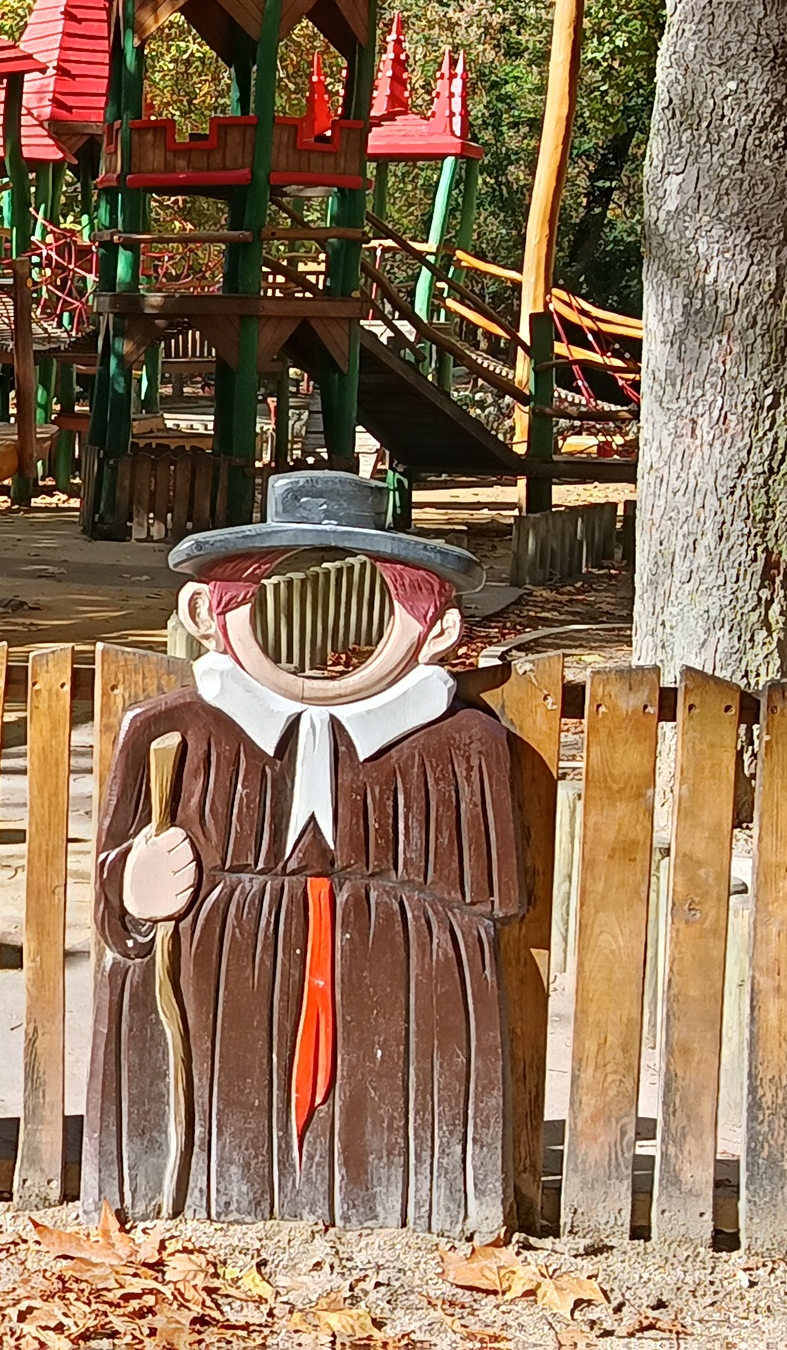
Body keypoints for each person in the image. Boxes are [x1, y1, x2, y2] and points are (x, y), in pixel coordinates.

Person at [83, 471, 519, 1234]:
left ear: (437, 629)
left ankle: (411, 1202)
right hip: (222, 1000)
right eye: (259, 594)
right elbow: (115, 897)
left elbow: (497, 902)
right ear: (205, 613)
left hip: (400, 1014)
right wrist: (132, 889)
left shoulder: (462, 746)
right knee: (225, 1120)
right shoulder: (170, 733)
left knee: (379, 1135)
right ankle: (200, 1192)